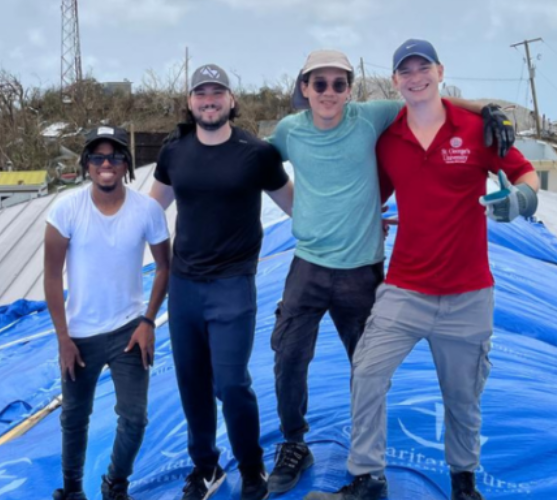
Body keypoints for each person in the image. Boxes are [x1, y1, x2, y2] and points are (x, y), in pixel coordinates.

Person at [264, 49, 517, 494]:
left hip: (363, 267)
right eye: (318, 84)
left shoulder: (372, 118)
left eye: (338, 84)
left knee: (373, 369)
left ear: (351, 89)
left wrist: (489, 109)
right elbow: (259, 168)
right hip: (309, 263)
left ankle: (421, 475)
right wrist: (296, 208)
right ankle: (297, 444)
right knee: (290, 355)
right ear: (303, 88)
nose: (329, 92)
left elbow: (427, 99)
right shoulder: (288, 131)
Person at [148, 64, 294, 500]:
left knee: (231, 383)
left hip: (233, 284)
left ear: (231, 100)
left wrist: (360, 220)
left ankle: (252, 469)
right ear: (190, 102)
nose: (208, 100)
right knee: (192, 381)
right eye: (200, 93)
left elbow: (299, 209)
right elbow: (149, 213)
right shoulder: (175, 151)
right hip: (185, 285)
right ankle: (206, 467)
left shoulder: (257, 153)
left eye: (217, 93)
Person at [45, 126, 172, 500]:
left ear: (126, 165)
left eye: (115, 157)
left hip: (129, 331)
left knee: (134, 418)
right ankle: (71, 491)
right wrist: (63, 338)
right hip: (80, 335)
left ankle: (115, 484)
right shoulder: (66, 209)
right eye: (98, 157)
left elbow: (165, 266)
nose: (106, 163)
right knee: (74, 418)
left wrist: (148, 322)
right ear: (86, 165)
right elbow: (52, 275)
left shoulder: (147, 210)